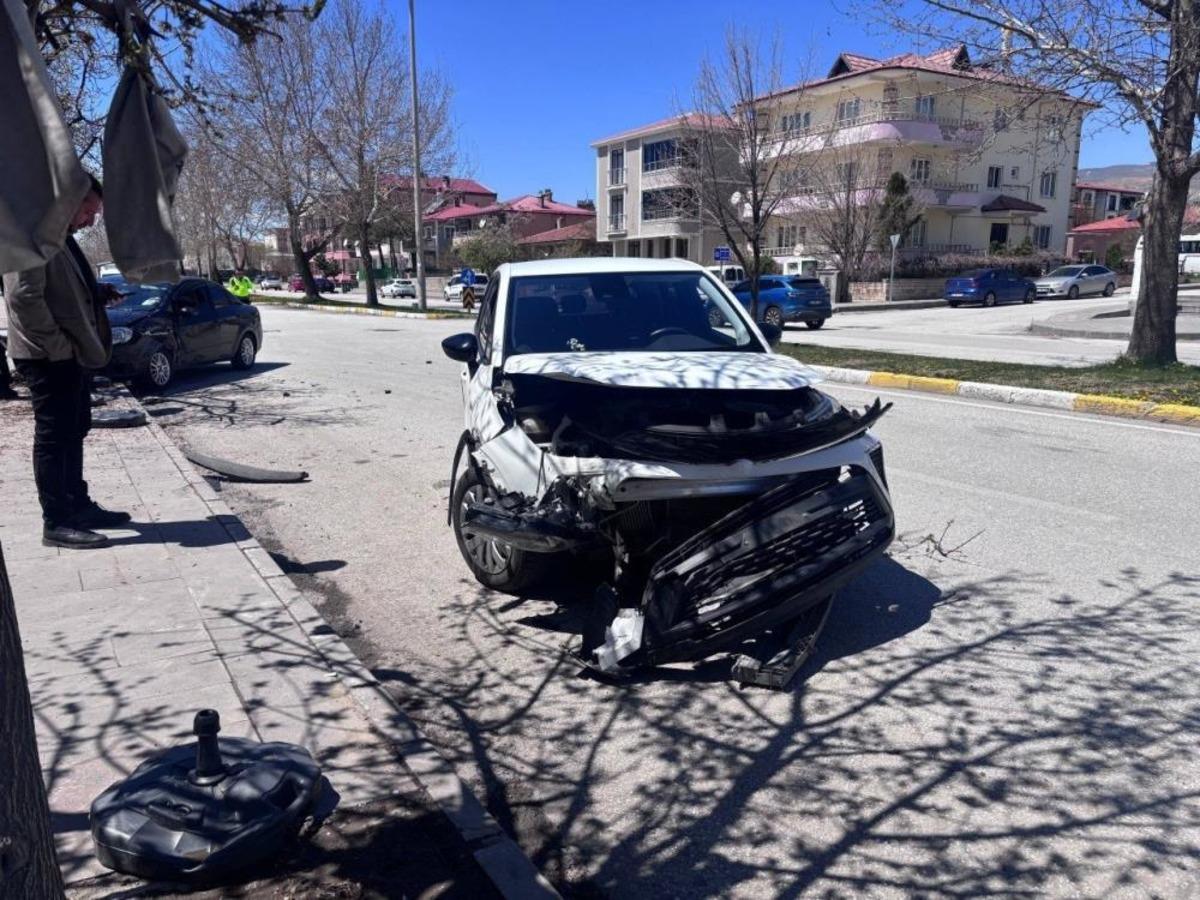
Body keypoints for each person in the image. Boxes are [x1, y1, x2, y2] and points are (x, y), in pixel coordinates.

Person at [2, 175, 129, 548]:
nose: (91, 220)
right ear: (69, 200)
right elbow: (24, 298)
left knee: (75, 429)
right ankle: (55, 521)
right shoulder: (31, 232)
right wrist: (59, 347)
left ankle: (77, 504)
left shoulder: (62, 237)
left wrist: (96, 292)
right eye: (89, 210)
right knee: (54, 437)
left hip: (67, 354)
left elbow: (59, 289)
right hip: (46, 357)